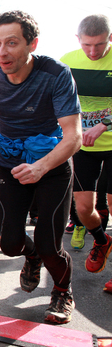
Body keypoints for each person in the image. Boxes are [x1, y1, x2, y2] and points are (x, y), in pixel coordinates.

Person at [0, 10, 82, 324]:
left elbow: (74, 137)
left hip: (52, 165)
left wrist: (41, 167)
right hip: (9, 163)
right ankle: (31, 255)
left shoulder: (56, 74)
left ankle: (62, 291)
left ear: (32, 43)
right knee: (9, 244)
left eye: (11, 43)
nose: (1, 52)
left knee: (51, 244)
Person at [60, 14, 112, 288]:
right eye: (87, 45)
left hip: (111, 142)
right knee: (83, 209)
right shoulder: (68, 62)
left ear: (110, 38)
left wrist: (103, 125)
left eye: (100, 45)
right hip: (83, 146)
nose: (93, 52)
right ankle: (103, 241)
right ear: (78, 40)